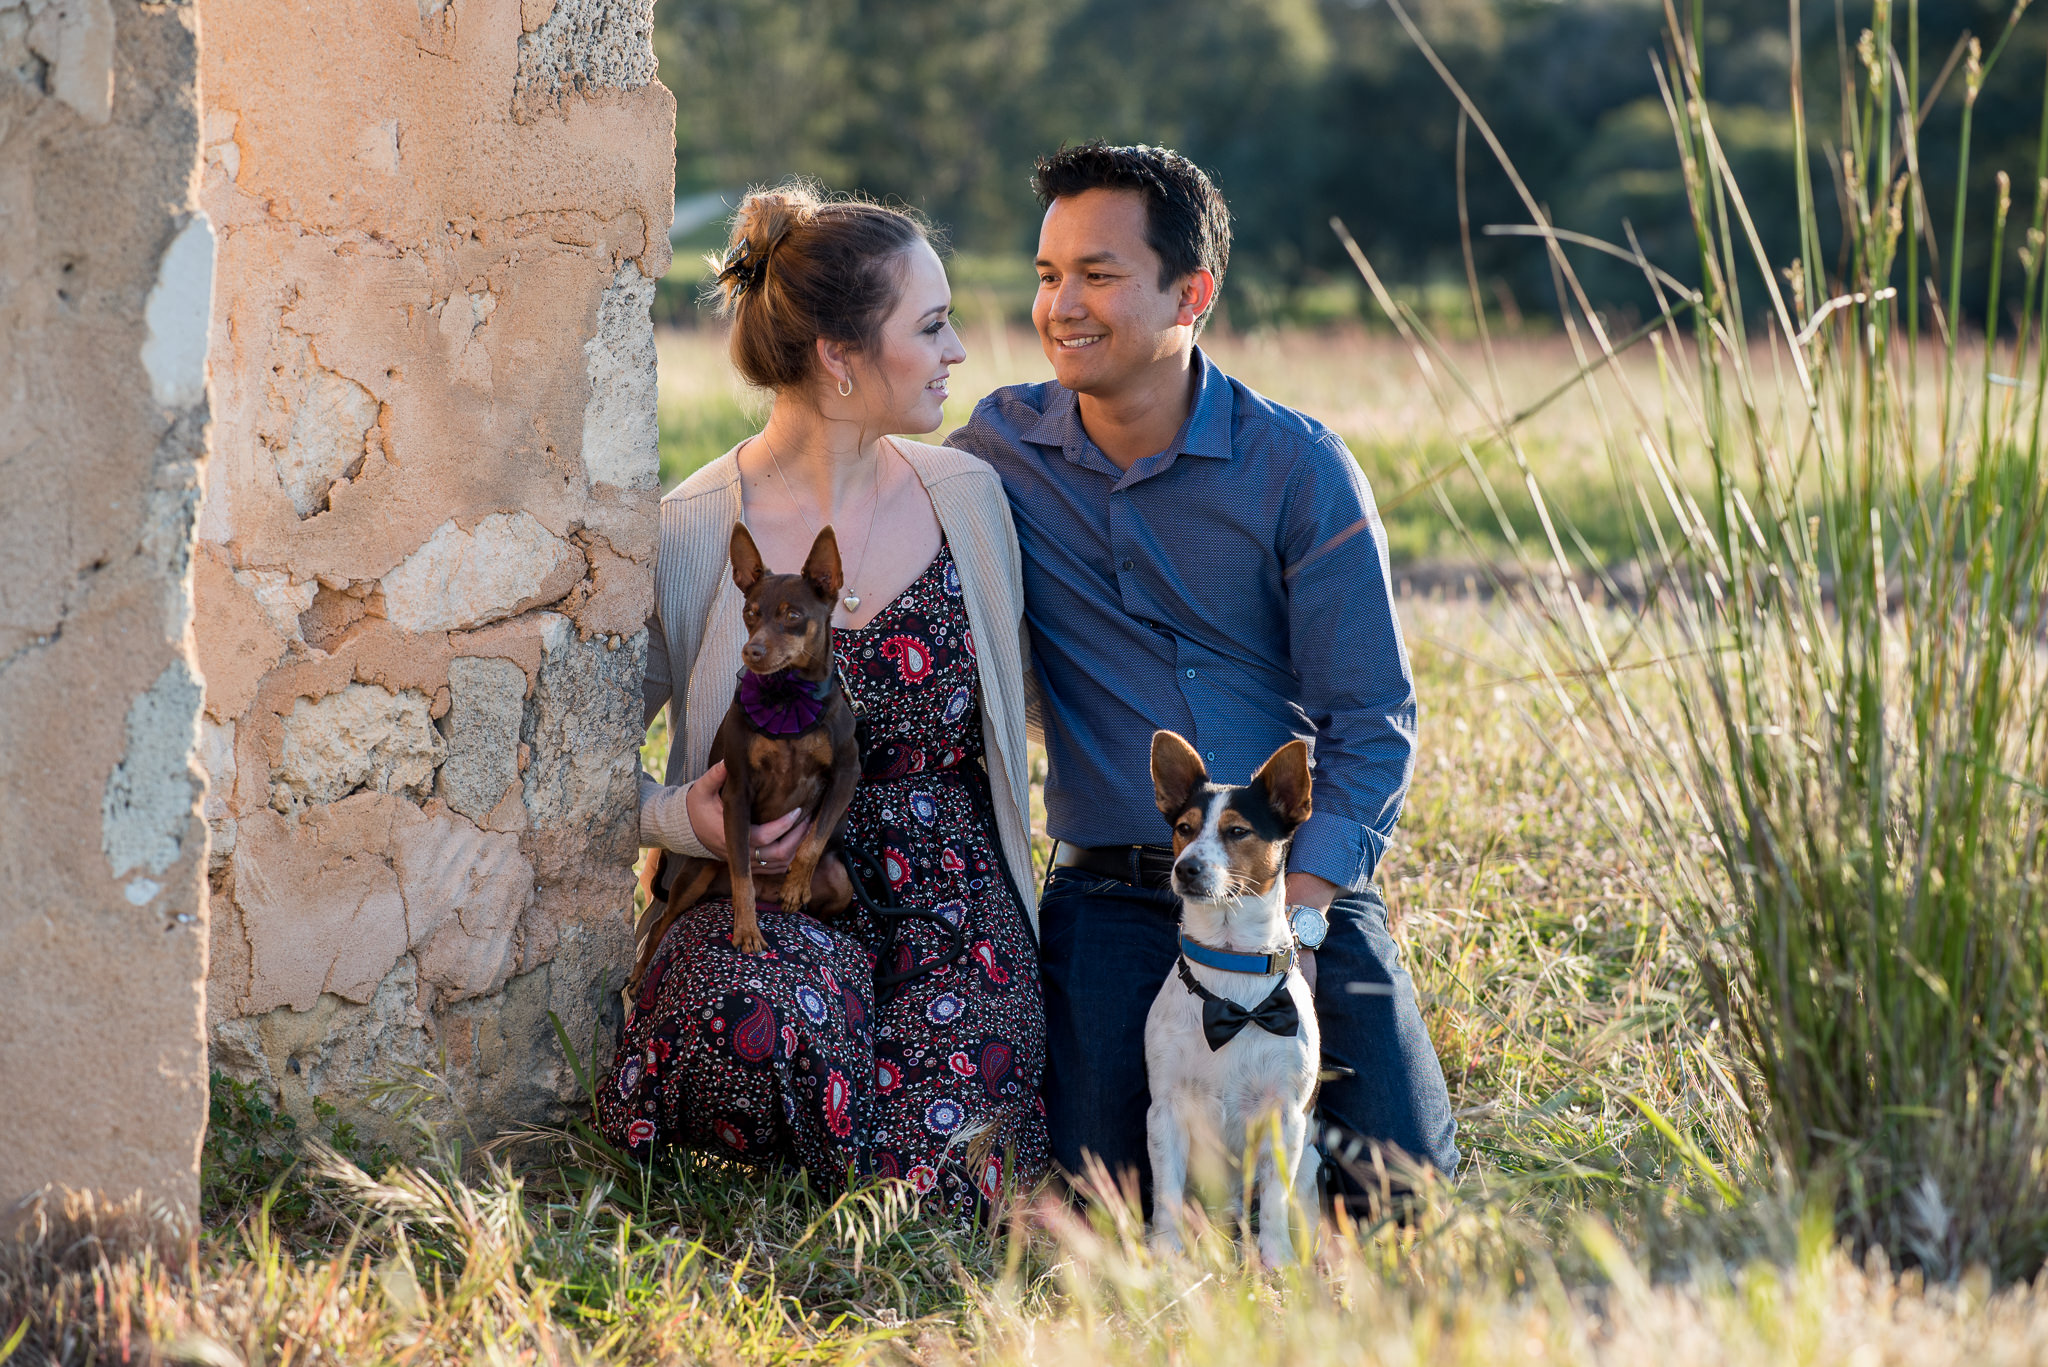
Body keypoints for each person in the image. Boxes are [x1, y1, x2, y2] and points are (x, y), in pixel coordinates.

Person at [946, 142, 1459, 1207]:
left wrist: (1302, 917)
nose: (1061, 306)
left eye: (1097, 274)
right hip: (1111, 892)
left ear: (1193, 293)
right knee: (1115, 1210)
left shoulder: (1295, 466)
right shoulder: (996, 450)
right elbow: (855, 491)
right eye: (1046, 276)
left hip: (1285, 886)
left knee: (1395, 1196)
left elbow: (1370, 715)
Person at [600, 181, 1048, 1216]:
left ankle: (863, 1144)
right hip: (768, 889)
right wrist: (684, 820)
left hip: (953, 904)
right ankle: (801, 1115)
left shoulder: (968, 500)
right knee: (734, 1027)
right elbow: (574, 766)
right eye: (930, 327)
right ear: (839, 358)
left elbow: (1037, 705)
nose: (956, 354)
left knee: (947, 1176)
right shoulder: (690, 529)